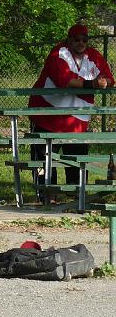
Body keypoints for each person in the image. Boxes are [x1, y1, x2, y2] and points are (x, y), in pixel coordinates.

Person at [28, 23, 114, 191]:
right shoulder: (58, 53)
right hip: (47, 117)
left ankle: (76, 195)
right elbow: (64, 80)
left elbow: (109, 78)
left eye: (84, 39)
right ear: (69, 40)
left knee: (76, 161)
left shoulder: (94, 56)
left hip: (76, 121)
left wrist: (105, 82)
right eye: (76, 39)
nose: (81, 43)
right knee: (43, 161)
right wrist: (92, 84)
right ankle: (45, 195)